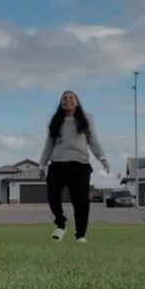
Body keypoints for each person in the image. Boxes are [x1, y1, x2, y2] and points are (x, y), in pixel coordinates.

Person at [39, 90, 109, 243]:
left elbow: (93, 140)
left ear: (76, 102)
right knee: (52, 195)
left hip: (80, 165)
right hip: (57, 163)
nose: (67, 100)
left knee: (81, 201)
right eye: (64, 98)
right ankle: (61, 222)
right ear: (61, 103)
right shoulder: (55, 121)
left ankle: (81, 235)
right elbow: (48, 144)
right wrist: (42, 163)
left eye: (71, 98)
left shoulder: (86, 119)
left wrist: (102, 158)